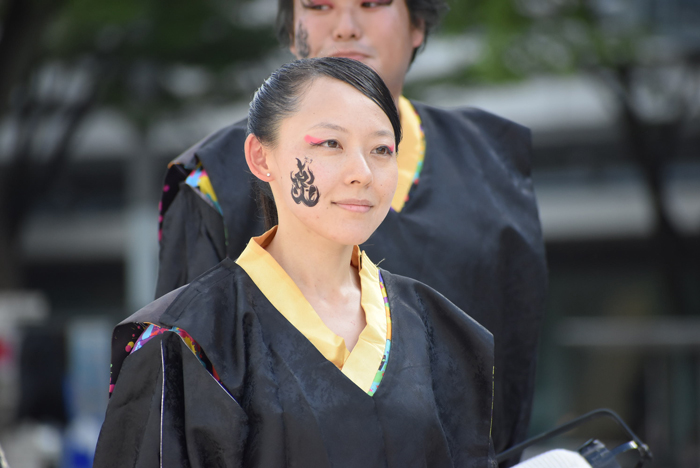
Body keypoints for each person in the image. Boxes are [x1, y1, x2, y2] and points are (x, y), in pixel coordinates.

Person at [155, 0, 547, 460]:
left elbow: (515, 367)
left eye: (372, 3)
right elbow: (182, 403)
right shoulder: (213, 179)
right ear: (290, 28)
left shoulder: (494, 163)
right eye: (318, 5)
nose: (345, 27)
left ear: (417, 23)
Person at [95, 57, 495, 467]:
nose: (362, 173)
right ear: (261, 157)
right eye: (330, 143)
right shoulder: (185, 339)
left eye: (381, 149)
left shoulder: (442, 332)